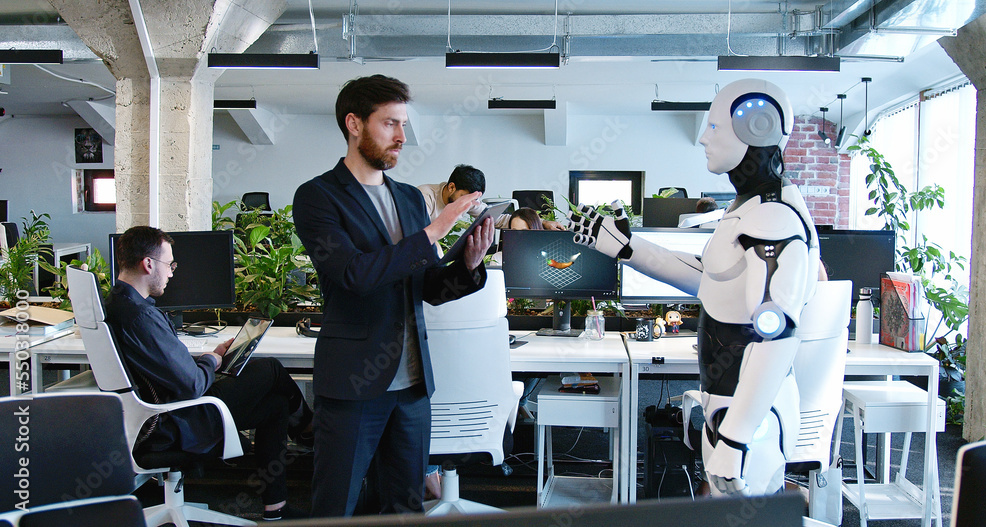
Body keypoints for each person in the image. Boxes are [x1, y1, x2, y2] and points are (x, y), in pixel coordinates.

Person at [568, 79, 821, 496]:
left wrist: (737, 436)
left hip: (748, 410)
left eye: (714, 127)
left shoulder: (773, 219)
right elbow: (708, 278)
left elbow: (776, 335)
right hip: (733, 402)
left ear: (756, 126)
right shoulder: (754, 208)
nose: (703, 138)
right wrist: (626, 247)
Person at [292, 74, 494, 517]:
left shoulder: (407, 198)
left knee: (405, 508)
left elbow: (425, 287)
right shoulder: (317, 197)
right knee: (335, 507)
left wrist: (468, 265)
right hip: (353, 385)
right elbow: (352, 274)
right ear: (354, 124)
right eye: (389, 124)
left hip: (412, 385)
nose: (402, 137)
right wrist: (436, 231)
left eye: (404, 125)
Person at [105, 226, 313, 521]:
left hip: (157, 412)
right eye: (169, 264)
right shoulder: (140, 317)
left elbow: (172, 370)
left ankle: (275, 507)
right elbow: (191, 385)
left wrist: (211, 357)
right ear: (148, 264)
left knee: (276, 405)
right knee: (270, 369)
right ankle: (308, 428)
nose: (172, 273)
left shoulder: (120, 304)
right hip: (174, 419)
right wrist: (211, 361)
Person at [418, 166, 565, 231]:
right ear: (451, 187)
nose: (468, 205)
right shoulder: (424, 197)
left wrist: (543, 222)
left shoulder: (468, 202)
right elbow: (419, 236)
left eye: (473, 200)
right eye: (465, 198)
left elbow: (496, 218)